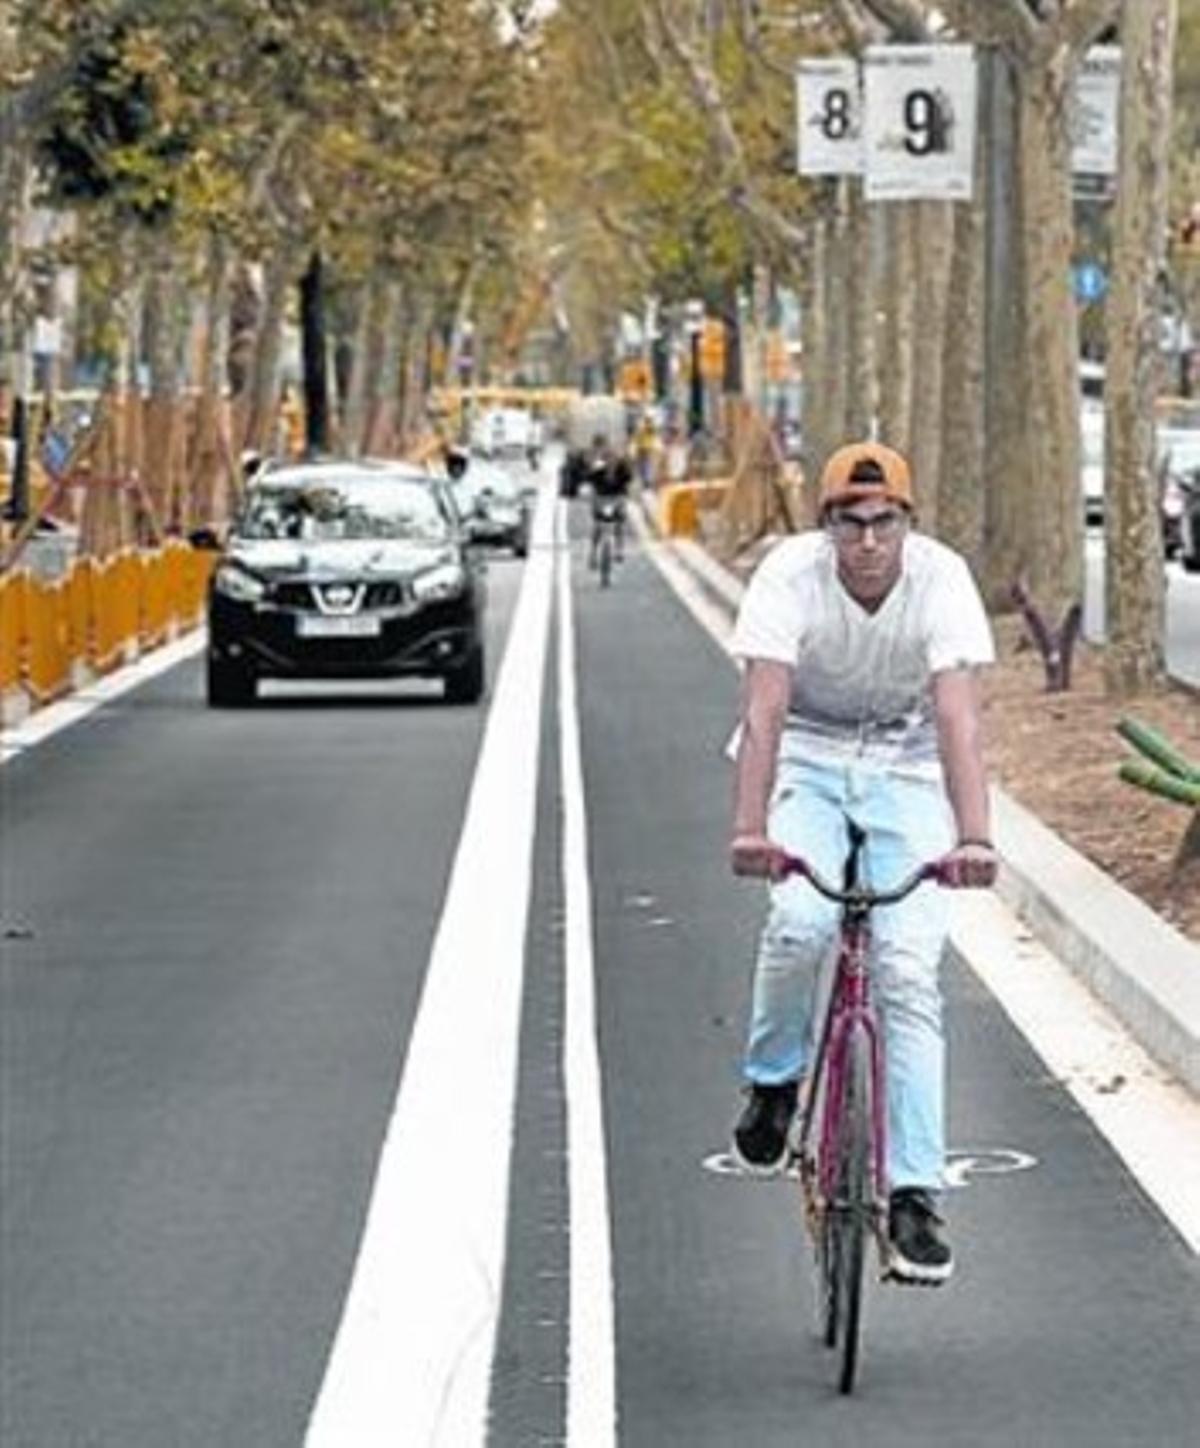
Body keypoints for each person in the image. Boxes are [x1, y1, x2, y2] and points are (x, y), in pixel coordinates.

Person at [727, 441, 997, 1286]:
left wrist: (974, 836)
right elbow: (767, 709)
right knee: (800, 922)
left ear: (908, 524)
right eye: (852, 522)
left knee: (910, 969)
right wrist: (749, 828)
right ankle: (774, 1081)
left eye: (886, 522)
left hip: (907, 765)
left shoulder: (943, 580)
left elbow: (957, 720)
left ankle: (914, 1192)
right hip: (806, 757)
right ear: (826, 525)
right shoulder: (788, 576)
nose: (870, 540)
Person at [586, 433, 632, 567]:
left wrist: (624, 490)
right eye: (607, 458)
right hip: (601, 498)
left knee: (620, 523)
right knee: (598, 526)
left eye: (613, 458)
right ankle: (593, 553)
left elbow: (629, 478)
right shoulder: (598, 465)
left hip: (617, 498)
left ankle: (619, 549)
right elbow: (590, 478)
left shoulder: (622, 465)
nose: (610, 461)